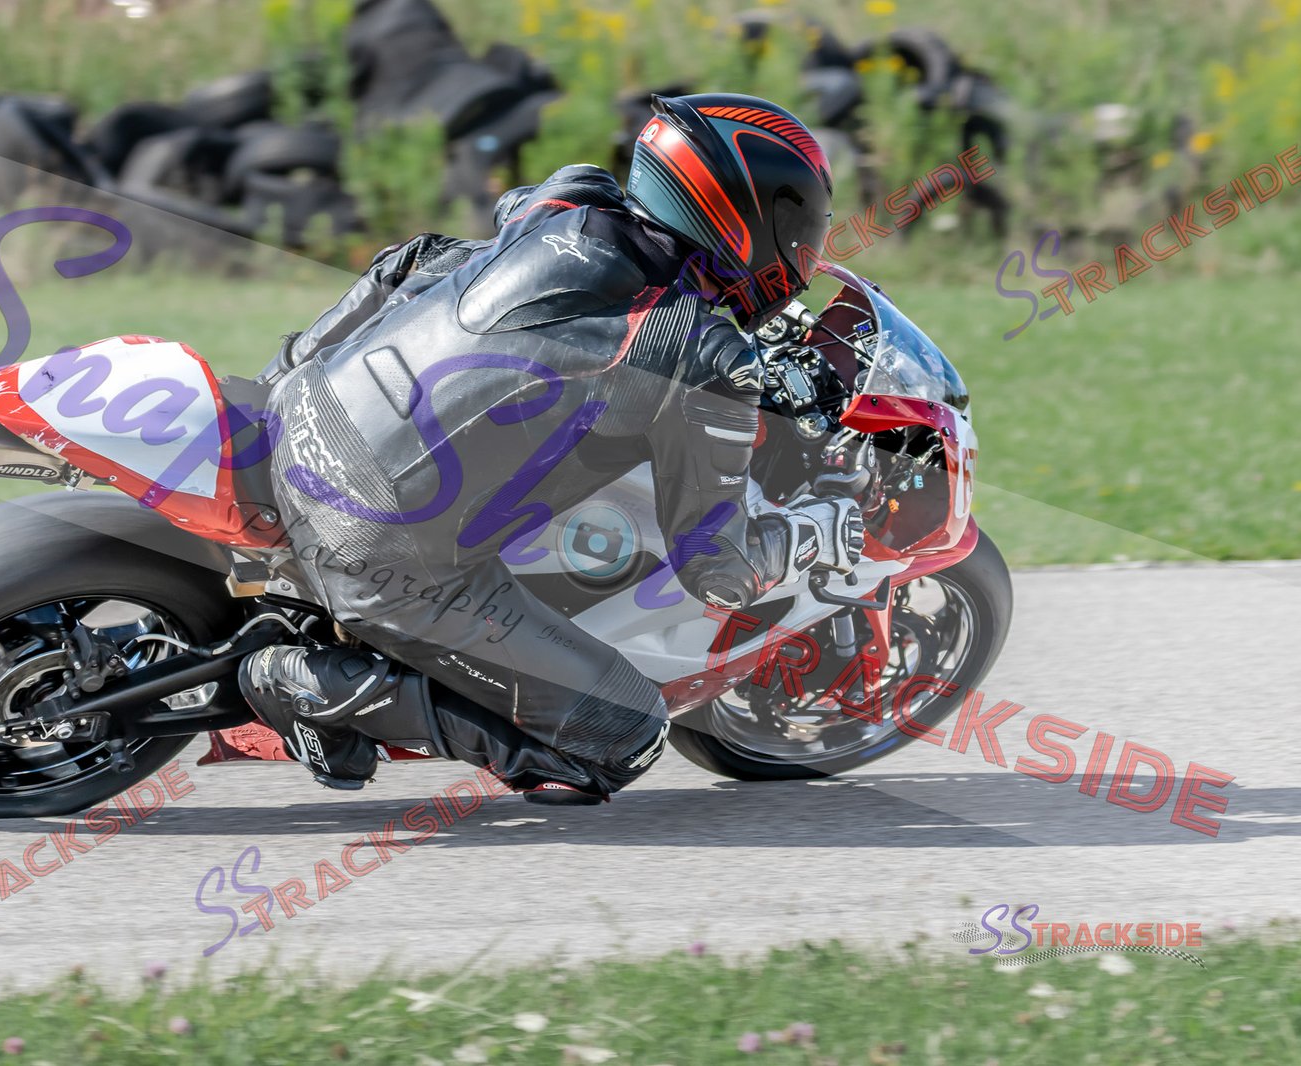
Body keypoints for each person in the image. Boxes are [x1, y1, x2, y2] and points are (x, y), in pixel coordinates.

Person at [238, 93, 865, 806]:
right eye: (803, 223)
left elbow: (411, 260)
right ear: (750, 217)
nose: (808, 244)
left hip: (295, 410)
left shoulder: (568, 200)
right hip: (375, 546)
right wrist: (818, 531)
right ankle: (312, 686)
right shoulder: (703, 356)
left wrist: (283, 373)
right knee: (626, 734)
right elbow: (715, 569)